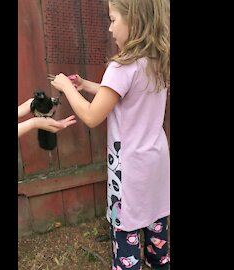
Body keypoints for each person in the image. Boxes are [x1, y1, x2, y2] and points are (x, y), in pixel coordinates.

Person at [50, 0, 170, 269]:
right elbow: (117, 93)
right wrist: (84, 84)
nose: (109, 28)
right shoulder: (158, 61)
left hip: (129, 169)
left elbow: (93, 115)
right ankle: (159, 262)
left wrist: (66, 88)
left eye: (113, 19)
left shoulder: (122, 67)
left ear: (135, 21)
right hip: (156, 161)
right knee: (156, 225)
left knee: (125, 226)